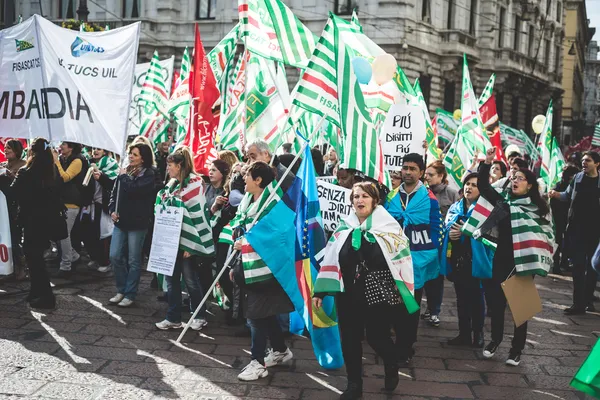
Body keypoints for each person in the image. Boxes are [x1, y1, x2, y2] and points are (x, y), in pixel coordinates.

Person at [313, 182, 416, 400]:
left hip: (376, 293)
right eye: (356, 197)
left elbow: (398, 256)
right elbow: (331, 256)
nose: (359, 200)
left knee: (377, 338)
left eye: (365, 196)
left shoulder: (387, 226)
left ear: (375, 201)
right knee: (349, 339)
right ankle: (354, 385)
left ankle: (390, 364)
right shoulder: (345, 226)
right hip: (348, 293)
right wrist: (320, 291)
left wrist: (371, 241)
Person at [475, 147, 553, 366]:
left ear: (530, 185)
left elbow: (546, 237)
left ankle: (516, 350)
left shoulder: (537, 208)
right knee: (497, 304)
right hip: (502, 258)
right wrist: (487, 162)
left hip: (524, 262)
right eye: (514, 177)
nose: (515, 180)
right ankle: (495, 341)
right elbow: (483, 187)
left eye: (521, 178)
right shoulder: (504, 203)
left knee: (521, 308)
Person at [230, 161, 294, 381]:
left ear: (258, 180)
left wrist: (246, 244)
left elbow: (277, 237)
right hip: (248, 264)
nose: (243, 179)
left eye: (247, 175)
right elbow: (242, 226)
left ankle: (257, 363)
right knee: (265, 314)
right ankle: (280, 350)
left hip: (267, 268)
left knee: (255, 315)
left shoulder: (273, 204)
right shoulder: (248, 200)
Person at [384, 153, 442, 364]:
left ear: (421, 172)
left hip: (417, 262)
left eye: (412, 168)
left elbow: (436, 231)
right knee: (394, 306)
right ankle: (399, 344)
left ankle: (406, 347)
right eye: (405, 167)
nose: (407, 172)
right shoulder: (390, 197)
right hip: (393, 260)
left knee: (411, 306)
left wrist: (423, 258)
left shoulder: (430, 199)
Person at [154, 147, 214, 330]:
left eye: (170, 165)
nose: (168, 169)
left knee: (190, 280)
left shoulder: (195, 184)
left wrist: (192, 244)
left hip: (189, 241)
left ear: (179, 166)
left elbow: (198, 215)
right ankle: (173, 318)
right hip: (171, 240)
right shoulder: (171, 185)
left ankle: (200, 315)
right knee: (171, 281)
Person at [440, 173, 493, 348]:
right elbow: (449, 225)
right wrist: (454, 232)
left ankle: (478, 335)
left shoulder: (485, 210)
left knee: (476, 298)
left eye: (474, 185)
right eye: (467, 184)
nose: (469, 187)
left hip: (475, 259)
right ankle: (464, 333)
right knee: (461, 298)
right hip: (457, 258)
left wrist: (465, 231)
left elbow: (484, 232)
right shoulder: (456, 207)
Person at [10, 138, 62, 309]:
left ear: (31, 152)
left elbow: (14, 191)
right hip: (47, 221)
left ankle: (46, 296)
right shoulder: (52, 170)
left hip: (31, 220)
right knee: (37, 257)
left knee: (34, 259)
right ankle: (36, 291)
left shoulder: (27, 171)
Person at [549, 151, 600, 314]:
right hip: (577, 229)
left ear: (597, 164)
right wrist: (555, 194)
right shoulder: (578, 178)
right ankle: (578, 303)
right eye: (583, 160)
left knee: (592, 267)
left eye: (588, 161)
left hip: (595, 231)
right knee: (577, 267)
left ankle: (587, 300)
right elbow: (567, 196)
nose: (584, 163)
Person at [108, 143, 157, 307]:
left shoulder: (150, 174)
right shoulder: (126, 171)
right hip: (121, 221)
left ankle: (130, 293)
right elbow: (114, 193)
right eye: (130, 153)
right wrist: (111, 210)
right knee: (114, 255)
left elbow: (136, 189)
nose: (131, 157)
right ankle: (121, 289)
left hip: (137, 222)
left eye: (135, 154)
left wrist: (123, 177)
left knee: (134, 260)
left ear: (143, 157)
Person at [421, 160, 459, 327]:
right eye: (426, 174)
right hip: (422, 241)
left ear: (441, 176)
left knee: (437, 278)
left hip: (443, 244)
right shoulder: (422, 192)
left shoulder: (451, 194)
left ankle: (434, 310)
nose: (427, 177)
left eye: (431, 174)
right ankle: (426, 308)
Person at [53, 142, 89, 278]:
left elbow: (65, 177)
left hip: (72, 203)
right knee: (58, 233)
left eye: (64, 144)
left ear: (71, 147)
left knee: (64, 235)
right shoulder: (63, 159)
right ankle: (74, 256)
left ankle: (66, 265)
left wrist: (56, 161)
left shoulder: (77, 160)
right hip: (61, 202)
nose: (60, 146)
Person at [83, 148, 118, 273]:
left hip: (103, 205)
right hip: (90, 205)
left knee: (104, 234)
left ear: (105, 151)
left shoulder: (111, 163)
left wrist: (100, 176)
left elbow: (112, 184)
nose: (95, 151)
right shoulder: (87, 163)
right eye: (93, 149)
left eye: (98, 149)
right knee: (90, 233)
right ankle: (95, 257)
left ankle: (106, 261)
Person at [0, 140, 27, 280]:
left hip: (15, 206)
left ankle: (22, 267)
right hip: (2, 208)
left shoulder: (24, 165)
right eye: (5, 148)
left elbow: (23, 185)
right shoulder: (3, 165)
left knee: (15, 238)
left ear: (17, 150)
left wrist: (10, 175)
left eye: (9, 148)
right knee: (5, 238)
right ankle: (7, 267)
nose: (6, 150)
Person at [550, 165, 579, 274]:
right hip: (559, 219)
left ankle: (564, 263)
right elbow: (554, 202)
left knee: (567, 242)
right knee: (558, 242)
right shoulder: (558, 187)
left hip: (570, 219)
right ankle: (556, 265)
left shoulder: (575, 187)